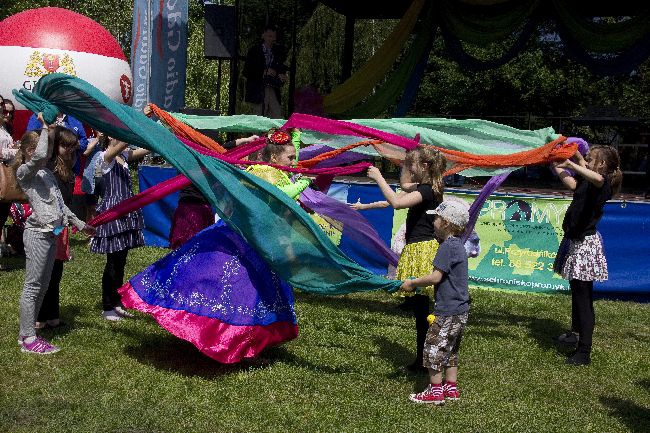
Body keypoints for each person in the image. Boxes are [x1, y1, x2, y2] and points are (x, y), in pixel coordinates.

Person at [117, 128, 310, 363]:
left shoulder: (273, 170)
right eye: (290, 158)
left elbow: (288, 169)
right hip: (246, 243)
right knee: (243, 293)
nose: (294, 161)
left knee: (254, 292)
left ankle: (249, 341)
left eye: (294, 157)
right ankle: (238, 344)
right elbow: (279, 195)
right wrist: (304, 182)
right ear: (272, 157)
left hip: (255, 241)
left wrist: (295, 139)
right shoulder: (266, 174)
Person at [15, 114, 95, 354]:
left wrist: (82, 225)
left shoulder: (47, 175)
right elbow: (40, 156)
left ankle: (29, 332)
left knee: (43, 284)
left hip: (51, 234)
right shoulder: (24, 173)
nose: (48, 152)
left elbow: (61, 207)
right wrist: (44, 126)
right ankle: (27, 337)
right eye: (44, 147)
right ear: (30, 150)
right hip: (37, 234)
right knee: (33, 286)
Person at [366, 145, 446, 373]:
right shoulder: (427, 186)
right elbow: (402, 186)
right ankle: (425, 357)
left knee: (424, 312)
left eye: (412, 166)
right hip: (418, 248)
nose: (408, 170)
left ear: (424, 167)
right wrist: (405, 163)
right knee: (422, 310)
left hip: (422, 250)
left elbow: (397, 202)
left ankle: (425, 360)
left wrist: (379, 176)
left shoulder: (428, 190)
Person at [551, 145, 622, 366]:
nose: (587, 161)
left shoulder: (602, 184)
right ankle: (575, 332)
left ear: (601, 165)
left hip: (586, 246)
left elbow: (595, 178)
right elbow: (572, 180)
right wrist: (555, 162)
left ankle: (583, 352)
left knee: (583, 298)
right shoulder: (586, 183)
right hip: (576, 242)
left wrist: (573, 163)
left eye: (592, 159)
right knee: (577, 291)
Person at [400, 199, 471, 405]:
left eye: (437, 218)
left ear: (447, 223)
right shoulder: (458, 245)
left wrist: (412, 283)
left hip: (447, 310)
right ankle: (451, 387)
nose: (433, 222)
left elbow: (435, 278)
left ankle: (435, 391)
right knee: (450, 349)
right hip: (461, 309)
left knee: (433, 348)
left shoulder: (447, 247)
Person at [89, 136, 149, 321]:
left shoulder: (124, 155)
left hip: (126, 211)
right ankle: (107, 305)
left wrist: (160, 129)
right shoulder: (105, 156)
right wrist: (138, 125)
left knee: (121, 260)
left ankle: (116, 302)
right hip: (114, 213)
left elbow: (147, 146)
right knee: (113, 261)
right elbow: (124, 141)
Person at [169, 134, 259, 249]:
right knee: (188, 246)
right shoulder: (191, 163)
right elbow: (221, 151)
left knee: (198, 246)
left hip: (202, 207)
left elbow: (223, 148)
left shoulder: (202, 159)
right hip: (191, 210)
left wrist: (246, 140)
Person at [35, 126, 80, 329]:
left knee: (56, 272)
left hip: (61, 227)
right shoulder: (49, 166)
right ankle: (38, 318)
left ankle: (52, 316)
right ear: (55, 146)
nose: (69, 150)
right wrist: (49, 127)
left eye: (72, 146)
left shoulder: (68, 168)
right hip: (48, 226)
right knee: (45, 272)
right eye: (64, 145)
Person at [242, 24, 288, 118]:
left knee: (277, 116)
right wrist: (263, 72)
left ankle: (274, 133)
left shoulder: (278, 51)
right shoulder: (254, 51)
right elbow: (246, 71)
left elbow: (281, 67)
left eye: (274, 37)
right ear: (263, 35)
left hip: (272, 87)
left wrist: (282, 75)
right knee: (258, 117)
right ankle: (257, 133)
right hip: (258, 88)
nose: (272, 39)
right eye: (269, 36)